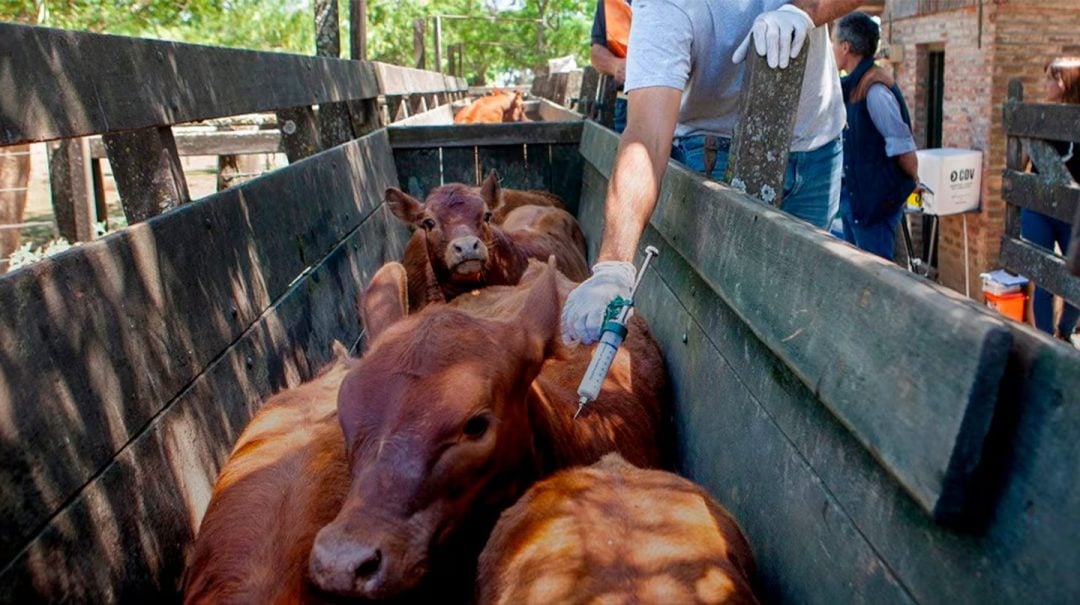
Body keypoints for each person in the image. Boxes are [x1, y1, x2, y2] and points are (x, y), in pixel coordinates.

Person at [562, 0, 863, 344]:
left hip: (817, 142)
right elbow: (646, 137)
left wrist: (804, 10)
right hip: (714, 149)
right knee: (732, 313)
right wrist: (613, 265)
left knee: (805, 301)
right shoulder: (663, 8)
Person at [833, 12, 921, 261]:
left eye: (834, 43)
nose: (832, 49)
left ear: (846, 47)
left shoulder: (875, 88)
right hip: (856, 200)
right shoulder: (853, 83)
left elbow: (902, 146)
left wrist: (914, 177)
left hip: (875, 204)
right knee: (857, 275)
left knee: (877, 278)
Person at [1022, 56, 1080, 341]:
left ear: (1065, 82)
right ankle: (1044, 340)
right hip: (1038, 206)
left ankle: (1064, 332)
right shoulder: (1041, 116)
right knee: (1042, 277)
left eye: (1050, 79)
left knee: (1076, 275)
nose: (1044, 84)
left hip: (1071, 211)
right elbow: (1026, 161)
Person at [589, 0, 632, 133]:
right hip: (627, 104)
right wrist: (616, 65)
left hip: (680, 104)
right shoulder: (608, 3)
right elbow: (596, 53)